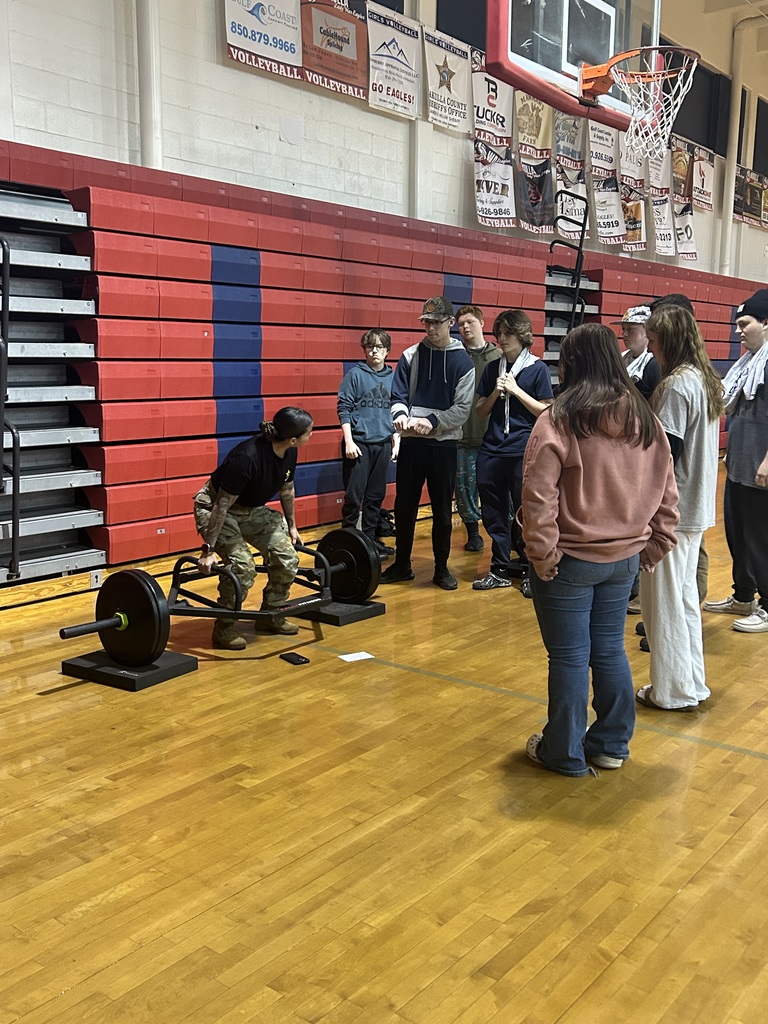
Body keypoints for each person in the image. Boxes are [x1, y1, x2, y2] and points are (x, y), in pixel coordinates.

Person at [522, 323, 679, 776]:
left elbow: (538, 496)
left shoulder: (559, 419)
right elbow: (669, 491)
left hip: (570, 560)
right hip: (624, 560)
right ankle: (611, 745)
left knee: (570, 657)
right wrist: (657, 543)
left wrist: (542, 553)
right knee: (609, 649)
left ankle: (564, 752)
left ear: (569, 364)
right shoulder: (646, 417)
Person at [636, 307, 723, 710]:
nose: (650, 350)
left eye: (653, 342)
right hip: (696, 507)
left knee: (664, 605)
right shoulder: (703, 380)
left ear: (667, 341)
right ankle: (691, 684)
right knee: (684, 601)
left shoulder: (674, 387)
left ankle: (670, 691)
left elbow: (665, 458)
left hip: (675, 511)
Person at [193, 407, 314, 650]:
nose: (311, 435)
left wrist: (292, 527)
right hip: (216, 508)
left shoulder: (289, 452)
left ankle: (271, 614)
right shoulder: (246, 458)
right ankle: (224, 627)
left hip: (251, 511)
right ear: (293, 438)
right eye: (309, 432)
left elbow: (287, 489)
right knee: (243, 567)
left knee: (287, 558)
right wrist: (208, 551)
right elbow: (221, 507)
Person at [380, 296, 474, 590]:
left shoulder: (463, 361)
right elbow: (397, 397)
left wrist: (432, 421)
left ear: (450, 323)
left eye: (436, 322)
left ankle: (441, 569)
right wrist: (399, 416)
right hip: (411, 443)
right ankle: (402, 564)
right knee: (404, 506)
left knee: (443, 511)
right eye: (427, 323)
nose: (431, 328)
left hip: (442, 445)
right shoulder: (410, 356)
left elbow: (462, 409)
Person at [473, 309, 553, 595]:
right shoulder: (493, 367)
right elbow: (480, 411)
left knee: (526, 513)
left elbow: (546, 410)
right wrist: (496, 392)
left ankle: (530, 568)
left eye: (507, 333)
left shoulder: (537, 368)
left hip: (523, 450)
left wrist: (517, 391)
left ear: (522, 335)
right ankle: (499, 568)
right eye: (499, 333)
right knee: (493, 513)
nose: (502, 339)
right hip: (493, 449)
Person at [703, 288, 768, 633]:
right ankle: (744, 595)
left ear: (766, 323)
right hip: (738, 464)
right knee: (738, 534)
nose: (738, 331)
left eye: (745, 324)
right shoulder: (745, 365)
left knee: (761, 538)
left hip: (761, 467)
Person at [337, 329, 399, 560]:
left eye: (380, 347)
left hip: (382, 444)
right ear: (364, 349)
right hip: (359, 443)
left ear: (387, 351)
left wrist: (396, 440)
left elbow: (397, 411)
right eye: (370, 346)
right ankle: (348, 537)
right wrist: (349, 441)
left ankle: (372, 539)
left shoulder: (393, 377)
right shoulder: (355, 375)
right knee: (354, 495)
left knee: (375, 495)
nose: (375, 351)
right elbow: (343, 408)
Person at [455, 305, 500, 552]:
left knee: (497, 489)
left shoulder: (498, 357)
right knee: (463, 489)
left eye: (470, 322)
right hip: (462, 436)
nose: (465, 327)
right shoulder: (454, 355)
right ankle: (473, 533)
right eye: (461, 324)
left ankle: (505, 532)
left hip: (493, 437)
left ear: (482, 323)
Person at [613, 305, 661, 400]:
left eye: (630, 329)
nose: (624, 334)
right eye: (623, 329)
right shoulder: (621, 358)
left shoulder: (654, 362)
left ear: (646, 330)